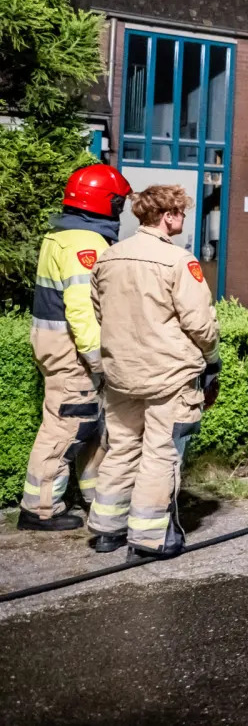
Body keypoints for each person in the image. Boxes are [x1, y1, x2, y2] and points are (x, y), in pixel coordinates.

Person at [87, 185, 220, 558]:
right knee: (161, 453)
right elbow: (200, 324)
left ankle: (106, 529)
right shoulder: (178, 261)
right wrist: (212, 360)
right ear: (168, 217)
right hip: (168, 375)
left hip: (120, 374)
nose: (182, 218)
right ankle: (149, 538)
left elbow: (100, 312)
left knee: (121, 448)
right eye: (179, 212)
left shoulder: (108, 258)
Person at [18, 164, 131, 531]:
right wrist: (99, 361)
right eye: (119, 203)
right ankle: (39, 509)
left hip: (56, 344)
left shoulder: (61, 235)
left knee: (92, 426)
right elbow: (82, 310)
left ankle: (96, 497)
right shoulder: (86, 243)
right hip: (73, 351)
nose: (121, 210)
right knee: (68, 426)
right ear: (105, 202)